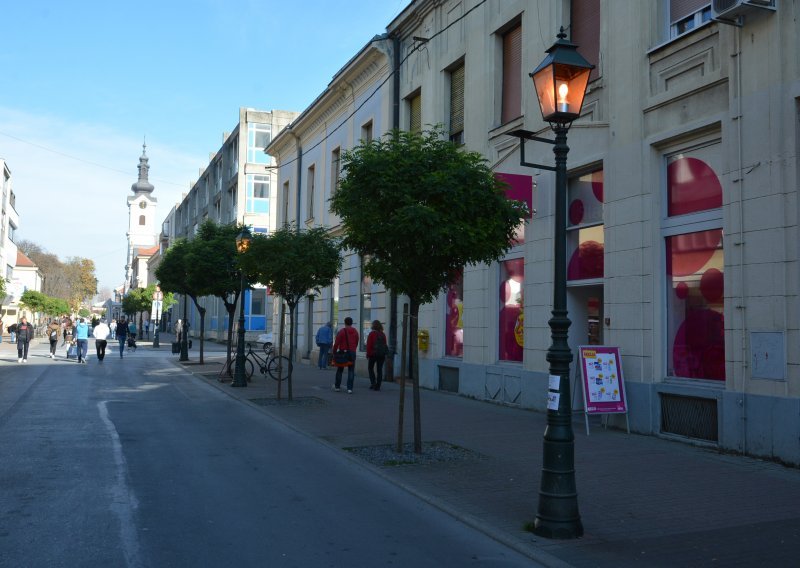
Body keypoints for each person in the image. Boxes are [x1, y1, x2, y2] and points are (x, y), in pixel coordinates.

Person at [332, 316, 359, 393]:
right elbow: (357, 341)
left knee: (340, 369)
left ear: (345, 323)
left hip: (343, 353)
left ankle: (337, 387)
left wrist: (334, 352)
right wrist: (353, 349)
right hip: (352, 353)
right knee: (351, 370)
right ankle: (349, 388)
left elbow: (336, 343)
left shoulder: (342, 331)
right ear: (351, 323)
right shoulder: (355, 331)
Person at [366, 320, 388, 391]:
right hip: (381, 355)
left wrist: (368, 354)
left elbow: (369, 345)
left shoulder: (372, 334)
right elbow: (385, 345)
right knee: (379, 370)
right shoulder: (383, 334)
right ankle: (378, 385)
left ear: (373, 326)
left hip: (373, 354)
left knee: (370, 368)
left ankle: (373, 383)